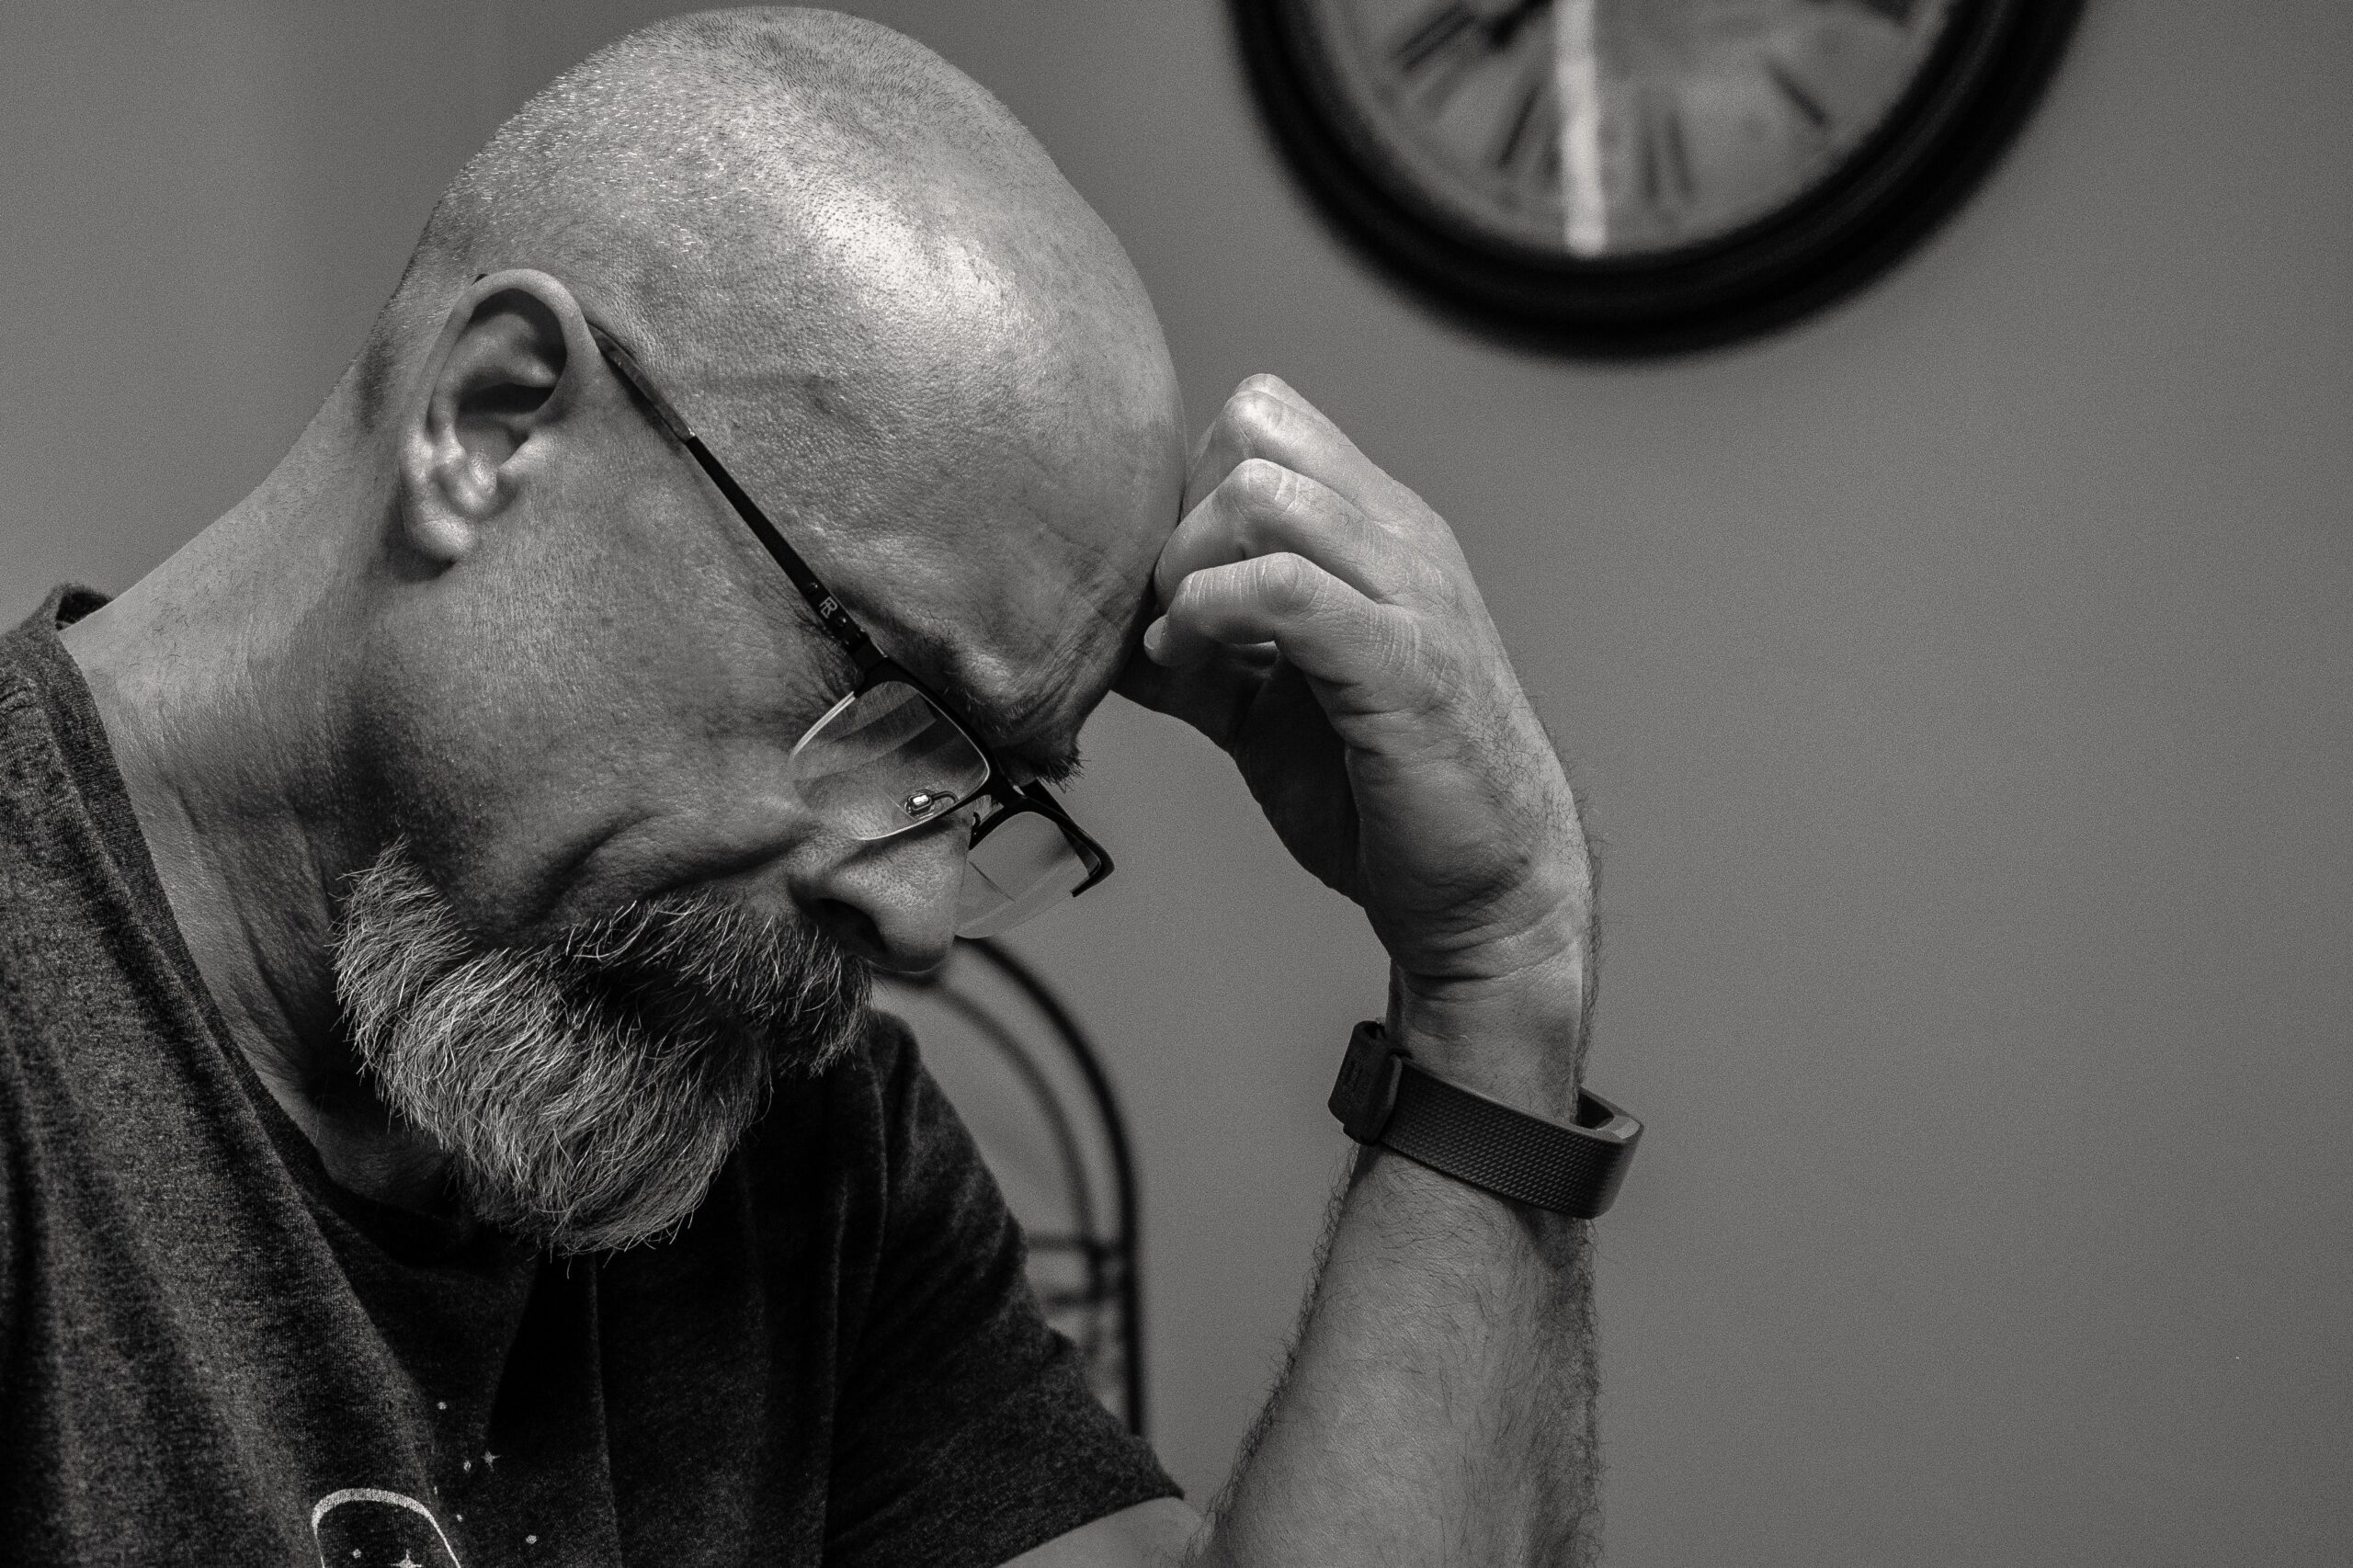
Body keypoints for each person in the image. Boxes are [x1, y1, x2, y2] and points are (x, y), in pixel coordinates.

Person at [0, 8, 1610, 1564]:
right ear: (490, 422)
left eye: (983, 792)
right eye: (886, 700)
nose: (919, 922)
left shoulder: (795, 1143)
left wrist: (1492, 971)